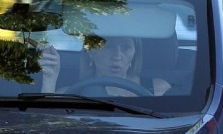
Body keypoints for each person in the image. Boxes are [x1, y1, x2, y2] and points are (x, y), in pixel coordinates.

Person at [40, 36, 171, 96]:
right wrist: (49, 79)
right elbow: (45, 124)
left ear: (135, 53)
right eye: (108, 47)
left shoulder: (159, 89)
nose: (117, 56)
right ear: (90, 52)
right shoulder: (70, 94)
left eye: (125, 47)